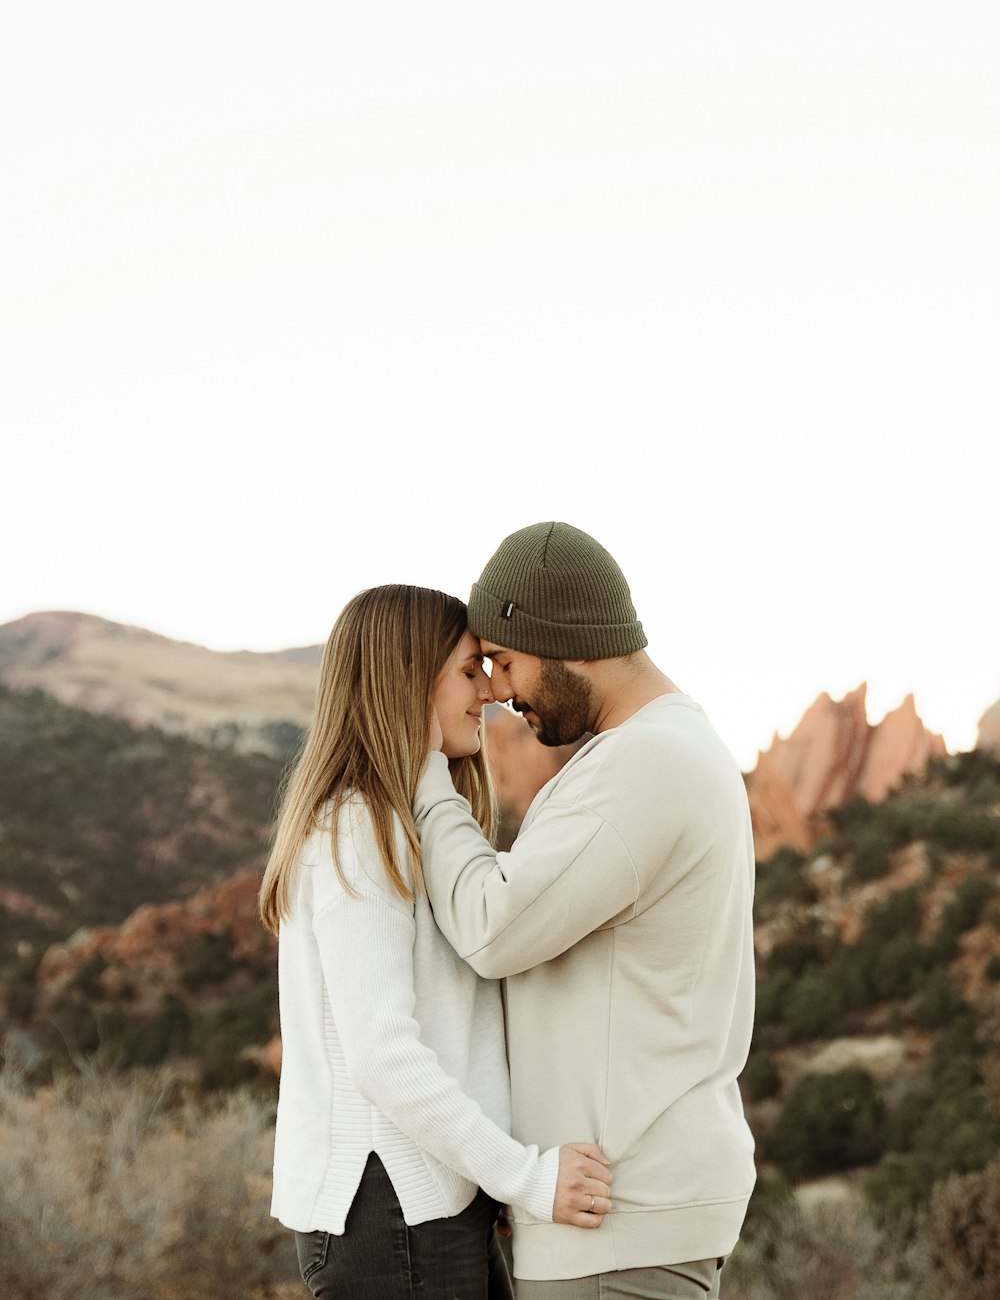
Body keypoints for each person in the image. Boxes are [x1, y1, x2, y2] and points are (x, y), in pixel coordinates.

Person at [411, 525, 756, 1300]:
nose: (497, 687)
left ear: (565, 640)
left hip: (619, 1217)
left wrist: (426, 769)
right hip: (620, 1210)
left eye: (504, 659)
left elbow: (492, 926)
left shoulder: (645, 764)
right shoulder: (655, 749)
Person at [259, 584, 612, 1300]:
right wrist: (525, 1176)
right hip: (394, 1212)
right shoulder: (360, 826)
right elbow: (383, 1056)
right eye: (467, 671)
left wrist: (493, 1176)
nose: (488, 691)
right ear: (407, 678)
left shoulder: (394, 819)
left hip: (425, 1204)